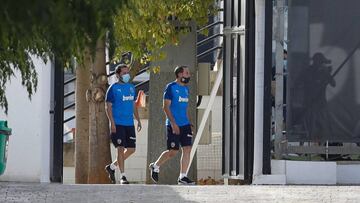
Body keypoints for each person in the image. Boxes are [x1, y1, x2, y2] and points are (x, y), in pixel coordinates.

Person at [149, 65, 195, 185]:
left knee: (187, 149)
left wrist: (189, 122)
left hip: (185, 124)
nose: (189, 75)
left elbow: (184, 108)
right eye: (186, 73)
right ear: (179, 74)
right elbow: (165, 107)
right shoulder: (170, 87)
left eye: (188, 73)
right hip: (173, 125)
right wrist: (174, 124)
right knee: (172, 151)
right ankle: (155, 166)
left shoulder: (186, 89)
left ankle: (183, 177)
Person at [104, 64, 142, 184]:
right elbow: (108, 107)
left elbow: (133, 104)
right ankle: (123, 176)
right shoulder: (113, 88)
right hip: (118, 123)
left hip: (129, 123)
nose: (127, 75)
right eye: (124, 73)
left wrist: (138, 119)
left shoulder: (131, 87)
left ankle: (112, 167)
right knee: (120, 148)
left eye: (127, 72)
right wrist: (112, 123)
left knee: (131, 149)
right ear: (118, 75)